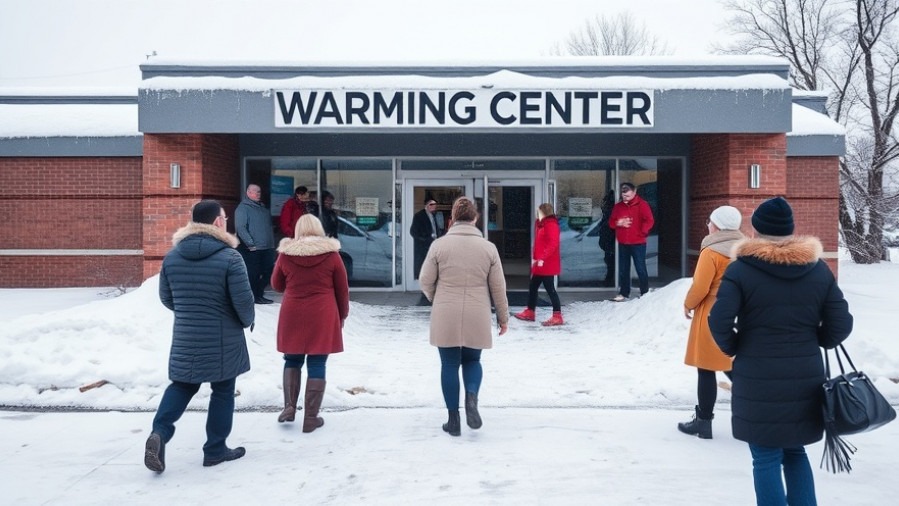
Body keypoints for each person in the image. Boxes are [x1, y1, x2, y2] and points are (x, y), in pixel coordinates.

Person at [708, 197, 853, 505]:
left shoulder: (741, 270)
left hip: (756, 373)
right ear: (790, 229)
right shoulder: (818, 270)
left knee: (764, 456)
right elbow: (841, 323)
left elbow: (719, 319)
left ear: (756, 229)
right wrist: (815, 339)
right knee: (795, 451)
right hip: (805, 374)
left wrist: (735, 347)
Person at [144, 200, 255, 473]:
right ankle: (215, 450)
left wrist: (190, 312)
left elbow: (166, 298)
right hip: (223, 337)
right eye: (224, 218)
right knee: (222, 390)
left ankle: (159, 432)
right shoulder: (230, 257)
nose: (226, 221)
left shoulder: (172, 256)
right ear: (217, 222)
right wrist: (246, 321)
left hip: (185, 335)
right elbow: (243, 302)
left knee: (182, 385)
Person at [419, 197, 509, 437]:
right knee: (472, 361)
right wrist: (503, 317)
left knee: (449, 364)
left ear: (452, 220)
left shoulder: (439, 246)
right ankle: (471, 398)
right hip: (477, 312)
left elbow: (425, 280)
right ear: (475, 219)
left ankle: (453, 420)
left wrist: (435, 297)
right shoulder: (488, 248)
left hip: (445, 311)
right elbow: (498, 287)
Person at [271, 214, 349, 432]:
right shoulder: (331, 255)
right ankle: (311, 418)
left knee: (292, 359)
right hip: (322, 313)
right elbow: (342, 289)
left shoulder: (286, 254)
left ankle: (289, 407)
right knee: (317, 362)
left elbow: (276, 285)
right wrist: (342, 315)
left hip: (292, 312)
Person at [677, 205, 744, 439]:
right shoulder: (745, 249)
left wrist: (688, 303)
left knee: (706, 368)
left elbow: (700, 286)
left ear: (717, 225)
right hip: (739, 312)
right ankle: (757, 414)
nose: (707, 224)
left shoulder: (711, 251)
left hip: (712, 312)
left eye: (710, 221)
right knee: (735, 366)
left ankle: (703, 422)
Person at [513, 203, 563, 326]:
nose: (537, 214)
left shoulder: (551, 225)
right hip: (540, 264)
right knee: (533, 286)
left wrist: (542, 258)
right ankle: (530, 311)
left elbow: (552, 244)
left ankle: (557, 315)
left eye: (539, 212)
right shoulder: (542, 224)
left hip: (546, 264)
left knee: (550, 289)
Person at [608, 182, 654, 301]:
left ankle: (644, 292)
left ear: (634, 192)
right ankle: (624, 293)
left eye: (628, 196)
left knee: (640, 268)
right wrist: (619, 223)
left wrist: (642, 232)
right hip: (623, 242)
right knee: (624, 268)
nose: (625, 199)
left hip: (638, 242)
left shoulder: (642, 205)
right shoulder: (618, 207)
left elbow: (649, 220)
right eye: (624, 196)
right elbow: (611, 223)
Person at [235, 183, 277, 304]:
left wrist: (271, 244)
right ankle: (254, 296)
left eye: (259, 191)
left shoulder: (263, 208)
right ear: (248, 193)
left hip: (267, 247)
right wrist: (250, 244)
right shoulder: (243, 208)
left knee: (268, 271)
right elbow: (241, 228)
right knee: (253, 274)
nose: (258, 194)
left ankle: (259, 294)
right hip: (253, 249)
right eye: (255, 191)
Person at [410, 198, 441, 280]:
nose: (433, 207)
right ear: (426, 205)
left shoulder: (434, 215)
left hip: (433, 244)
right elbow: (413, 232)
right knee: (422, 264)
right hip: (423, 246)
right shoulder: (419, 216)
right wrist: (424, 239)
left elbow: (436, 228)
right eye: (431, 204)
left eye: (435, 205)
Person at [598, 190, 616, 287]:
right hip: (609, 237)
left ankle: (610, 280)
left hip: (610, 238)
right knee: (610, 260)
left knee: (610, 261)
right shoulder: (610, 209)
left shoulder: (609, 209)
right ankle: (611, 280)